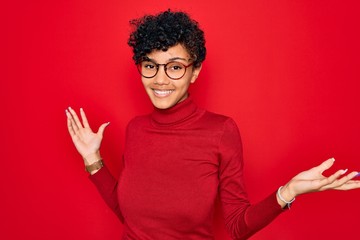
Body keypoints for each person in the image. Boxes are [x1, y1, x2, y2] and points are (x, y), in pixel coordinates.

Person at [65, 10, 360, 239]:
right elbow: (133, 218)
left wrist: (288, 192)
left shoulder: (220, 132)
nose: (160, 78)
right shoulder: (136, 129)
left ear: (195, 72)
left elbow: (236, 227)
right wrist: (92, 159)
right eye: (150, 65)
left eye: (176, 67)